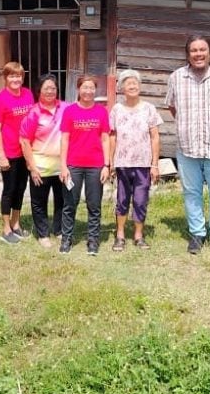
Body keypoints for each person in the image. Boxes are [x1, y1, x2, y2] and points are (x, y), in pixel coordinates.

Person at [165, 36, 210, 254]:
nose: (199, 54)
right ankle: (197, 233)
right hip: (187, 148)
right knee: (191, 192)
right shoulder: (176, 77)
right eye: (194, 50)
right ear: (188, 54)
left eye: (202, 50)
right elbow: (172, 107)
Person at [109, 69, 161, 251]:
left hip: (143, 164)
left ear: (140, 86)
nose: (132, 86)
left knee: (140, 200)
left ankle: (139, 235)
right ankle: (120, 235)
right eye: (128, 83)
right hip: (123, 163)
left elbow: (155, 137)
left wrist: (155, 164)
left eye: (135, 83)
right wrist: (111, 162)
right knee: (122, 199)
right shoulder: (117, 109)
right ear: (122, 88)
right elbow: (113, 137)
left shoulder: (149, 108)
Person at [59, 75, 111, 255]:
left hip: (95, 166)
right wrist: (63, 166)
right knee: (69, 204)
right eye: (85, 87)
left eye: (91, 88)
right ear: (78, 89)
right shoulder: (70, 111)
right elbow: (64, 139)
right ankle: (66, 239)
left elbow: (105, 139)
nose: (88, 91)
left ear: (95, 90)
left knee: (94, 205)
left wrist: (107, 165)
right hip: (73, 165)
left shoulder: (102, 112)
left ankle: (93, 241)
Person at [19, 73, 67, 248]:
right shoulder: (34, 112)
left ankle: (59, 230)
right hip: (40, 166)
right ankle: (43, 234)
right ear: (39, 91)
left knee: (62, 200)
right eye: (46, 88)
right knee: (39, 202)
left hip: (62, 166)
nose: (50, 91)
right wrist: (32, 167)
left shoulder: (66, 109)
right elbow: (24, 140)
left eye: (53, 88)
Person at [0, 61, 35, 244]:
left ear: (22, 77)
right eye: (12, 76)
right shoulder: (0, 99)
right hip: (9, 151)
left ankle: (16, 224)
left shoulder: (28, 94)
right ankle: (6, 228)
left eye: (18, 76)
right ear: (6, 78)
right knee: (9, 190)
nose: (16, 79)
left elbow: (32, 120)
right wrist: (1, 155)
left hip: (25, 151)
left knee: (21, 188)